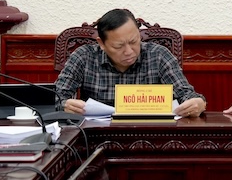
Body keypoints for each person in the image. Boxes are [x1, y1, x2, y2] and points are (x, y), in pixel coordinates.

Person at [55, 9, 206, 118]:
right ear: (101, 44)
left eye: (134, 41)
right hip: (96, 136)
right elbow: (56, 97)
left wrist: (197, 103)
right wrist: (64, 105)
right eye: (119, 46)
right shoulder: (84, 56)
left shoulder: (158, 55)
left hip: (150, 134)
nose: (129, 51)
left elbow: (186, 95)